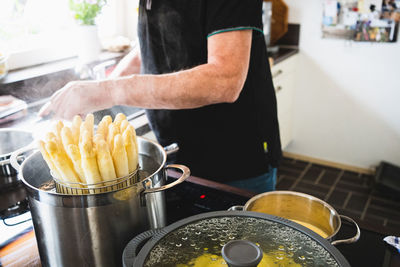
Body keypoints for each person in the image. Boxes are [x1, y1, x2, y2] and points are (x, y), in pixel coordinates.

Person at [40, 0, 282, 193]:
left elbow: (224, 80)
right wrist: (100, 88)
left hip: (236, 160)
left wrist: (108, 91)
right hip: (179, 155)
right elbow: (148, 47)